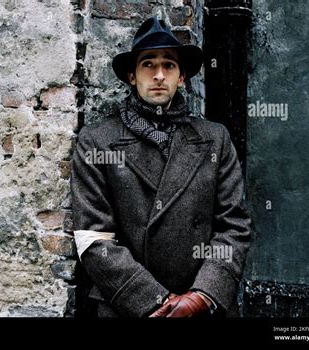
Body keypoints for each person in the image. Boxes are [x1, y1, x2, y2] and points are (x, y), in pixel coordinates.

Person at [71, 17, 252, 318]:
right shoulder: (98, 141)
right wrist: (155, 301)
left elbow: (235, 226)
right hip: (128, 306)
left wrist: (202, 296)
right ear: (132, 75)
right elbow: (93, 238)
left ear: (182, 77)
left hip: (203, 307)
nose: (158, 75)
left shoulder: (214, 139)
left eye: (169, 65)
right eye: (148, 65)